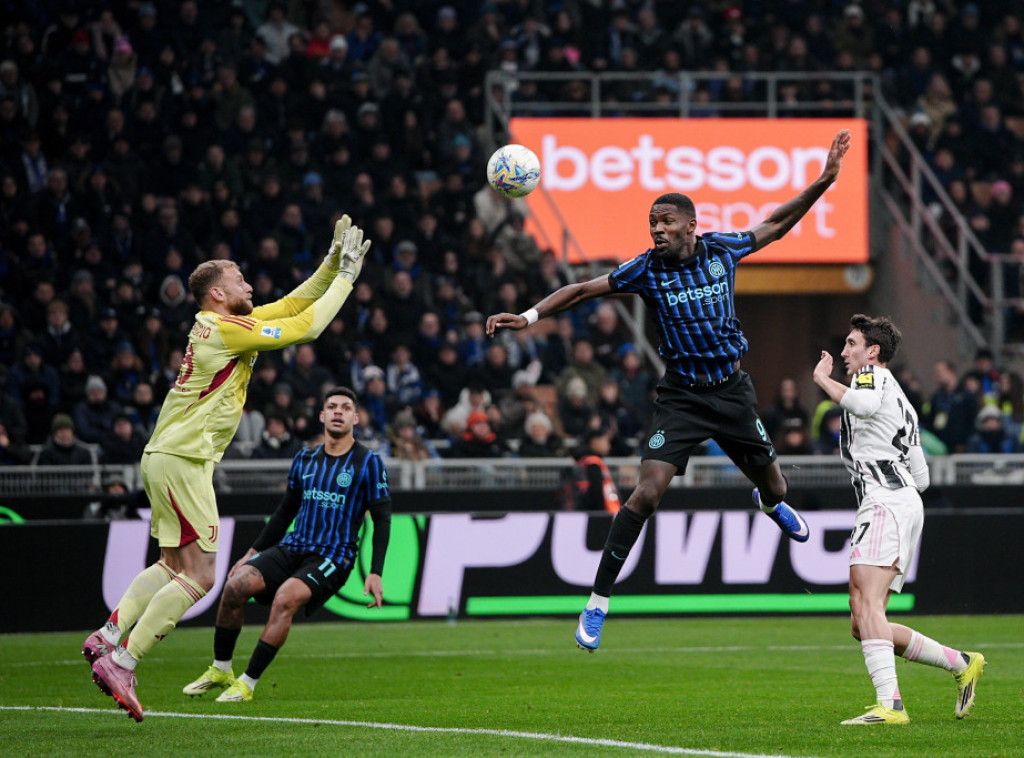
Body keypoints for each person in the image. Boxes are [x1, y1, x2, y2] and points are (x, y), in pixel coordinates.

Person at [487, 129, 853, 652]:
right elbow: (584, 289)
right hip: (681, 398)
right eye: (652, 222)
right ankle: (597, 602)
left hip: (731, 392)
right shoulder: (646, 269)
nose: (657, 229)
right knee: (646, 491)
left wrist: (824, 180)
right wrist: (528, 316)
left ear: (690, 225)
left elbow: (777, 222)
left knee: (776, 489)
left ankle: (770, 506)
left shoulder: (722, 250)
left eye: (666, 221)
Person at [82, 216, 372, 722]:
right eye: (241, 280)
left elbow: (288, 306)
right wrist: (347, 279)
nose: (251, 286)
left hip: (163, 455)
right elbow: (308, 326)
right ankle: (124, 661)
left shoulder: (220, 326)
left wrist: (330, 264)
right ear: (218, 293)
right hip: (186, 460)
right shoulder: (225, 331)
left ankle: (108, 635)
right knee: (201, 576)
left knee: (171, 566)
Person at [812, 314, 985, 725]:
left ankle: (890, 705)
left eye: (851, 344)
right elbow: (922, 476)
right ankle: (960, 662)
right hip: (902, 501)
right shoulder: (903, 399)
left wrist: (822, 379)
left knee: (865, 602)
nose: (843, 352)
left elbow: (864, 403)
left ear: (873, 351)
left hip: (885, 501)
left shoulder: (871, 377)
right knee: (864, 621)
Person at [181, 387, 391, 703]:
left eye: (345, 408)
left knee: (285, 599)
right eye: (331, 406)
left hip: (333, 555)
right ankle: (221, 669)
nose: (338, 411)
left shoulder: (369, 462)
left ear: (355, 418)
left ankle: (247, 684)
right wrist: (252, 553)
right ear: (321, 416)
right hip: (293, 546)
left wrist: (375, 571)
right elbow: (285, 512)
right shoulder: (304, 459)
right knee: (235, 586)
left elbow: (383, 519)